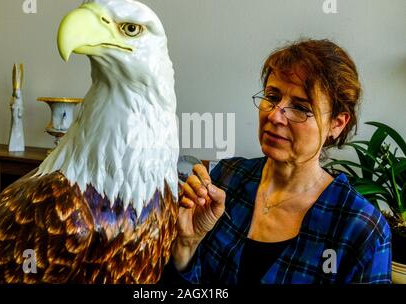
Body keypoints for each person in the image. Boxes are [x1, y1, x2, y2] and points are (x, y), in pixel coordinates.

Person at [162, 38, 392, 284]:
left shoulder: (360, 228)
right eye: (272, 96)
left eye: (301, 108)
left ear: (337, 124)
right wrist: (187, 243)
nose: (275, 115)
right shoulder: (226, 179)